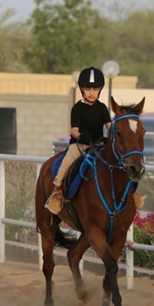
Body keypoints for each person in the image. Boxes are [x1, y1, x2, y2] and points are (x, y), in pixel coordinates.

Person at [45, 66, 112, 214]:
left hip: (98, 145)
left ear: (100, 90)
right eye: (88, 89)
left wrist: (113, 137)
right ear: (82, 89)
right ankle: (57, 191)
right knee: (68, 161)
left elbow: (110, 126)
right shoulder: (77, 108)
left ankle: (132, 190)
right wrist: (81, 136)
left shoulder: (102, 108)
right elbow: (74, 130)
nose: (91, 93)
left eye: (95, 89)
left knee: (116, 161)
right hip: (80, 145)